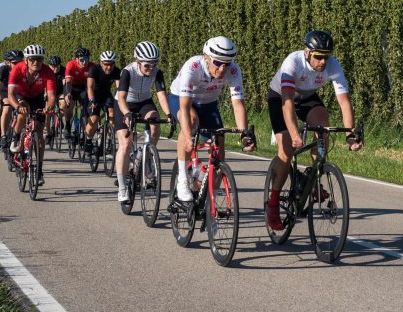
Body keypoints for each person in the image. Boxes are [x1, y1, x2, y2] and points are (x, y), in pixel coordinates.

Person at [265, 30, 362, 230]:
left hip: (307, 97)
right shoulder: (293, 62)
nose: (323, 62)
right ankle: (273, 204)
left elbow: (344, 101)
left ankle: (312, 177)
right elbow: (288, 103)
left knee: (323, 125)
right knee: (285, 153)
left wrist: (349, 135)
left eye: (326, 56)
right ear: (307, 52)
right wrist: (293, 135)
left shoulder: (333, 65)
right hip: (281, 98)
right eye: (318, 56)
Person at [168, 36, 255, 208]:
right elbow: (184, 107)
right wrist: (187, 137)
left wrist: (244, 135)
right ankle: (183, 183)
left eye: (227, 63)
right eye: (218, 62)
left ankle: (208, 200)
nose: (223, 68)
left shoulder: (234, 70)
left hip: (208, 104)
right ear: (206, 57)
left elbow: (238, 105)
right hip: (181, 99)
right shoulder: (192, 67)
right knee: (191, 121)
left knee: (219, 146)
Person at [114, 41, 173, 202]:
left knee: (154, 125)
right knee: (125, 143)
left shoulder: (157, 72)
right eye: (147, 65)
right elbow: (121, 97)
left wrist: (169, 114)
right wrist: (127, 114)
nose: (151, 68)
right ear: (138, 62)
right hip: (125, 103)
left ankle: (144, 155)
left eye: (154, 64)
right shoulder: (128, 71)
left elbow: (161, 94)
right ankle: (122, 187)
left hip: (144, 102)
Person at [7, 44, 57, 185]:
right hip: (21, 96)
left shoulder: (47, 72)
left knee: (40, 136)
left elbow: (52, 96)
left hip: (37, 98)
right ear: (26, 60)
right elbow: (11, 95)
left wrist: (48, 106)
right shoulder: (17, 69)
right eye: (33, 59)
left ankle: (39, 170)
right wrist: (17, 106)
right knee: (24, 110)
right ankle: (15, 139)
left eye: (40, 59)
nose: (36, 63)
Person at [86, 50, 120, 153]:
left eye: (111, 64)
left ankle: (109, 139)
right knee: (94, 118)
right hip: (94, 95)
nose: (109, 67)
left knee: (112, 114)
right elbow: (90, 87)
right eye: (106, 64)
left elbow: (119, 88)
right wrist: (92, 101)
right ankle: (88, 141)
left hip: (107, 95)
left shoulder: (116, 71)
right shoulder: (94, 69)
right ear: (101, 63)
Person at [0, 49, 22, 149]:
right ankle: (3, 135)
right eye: (14, 63)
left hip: (18, 92)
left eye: (19, 62)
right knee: (6, 108)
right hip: (5, 91)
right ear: (8, 63)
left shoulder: (24, 69)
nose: (18, 64)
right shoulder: (3, 69)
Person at [64, 47, 93, 150]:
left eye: (86, 59)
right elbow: (68, 82)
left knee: (86, 108)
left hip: (84, 88)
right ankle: (67, 124)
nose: (84, 62)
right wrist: (68, 93)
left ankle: (84, 128)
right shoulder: (71, 65)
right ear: (76, 59)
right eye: (81, 59)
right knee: (68, 104)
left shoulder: (91, 66)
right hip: (72, 86)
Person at [46, 55, 66, 140]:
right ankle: (48, 134)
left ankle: (59, 118)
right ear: (49, 65)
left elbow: (65, 83)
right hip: (49, 92)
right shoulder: (46, 71)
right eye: (52, 66)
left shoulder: (63, 70)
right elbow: (43, 83)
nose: (55, 69)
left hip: (60, 91)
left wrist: (66, 93)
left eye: (57, 66)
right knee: (47, 113)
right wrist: (45, 94)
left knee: (63, 103)